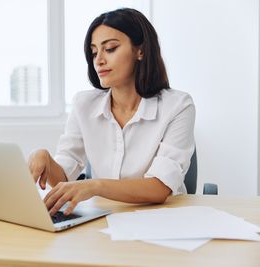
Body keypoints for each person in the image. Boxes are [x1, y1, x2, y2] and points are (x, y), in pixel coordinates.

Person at [28, 8, 195, 217]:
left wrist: (94, 186)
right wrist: (44, 158)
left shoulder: (178, 105)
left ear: (140, 50)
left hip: (163, 219)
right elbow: (63, 178)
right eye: (94, 52)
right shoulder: (83, 104)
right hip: (104, 220)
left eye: (110, 48)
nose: (98, 60)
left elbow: (159, 188)